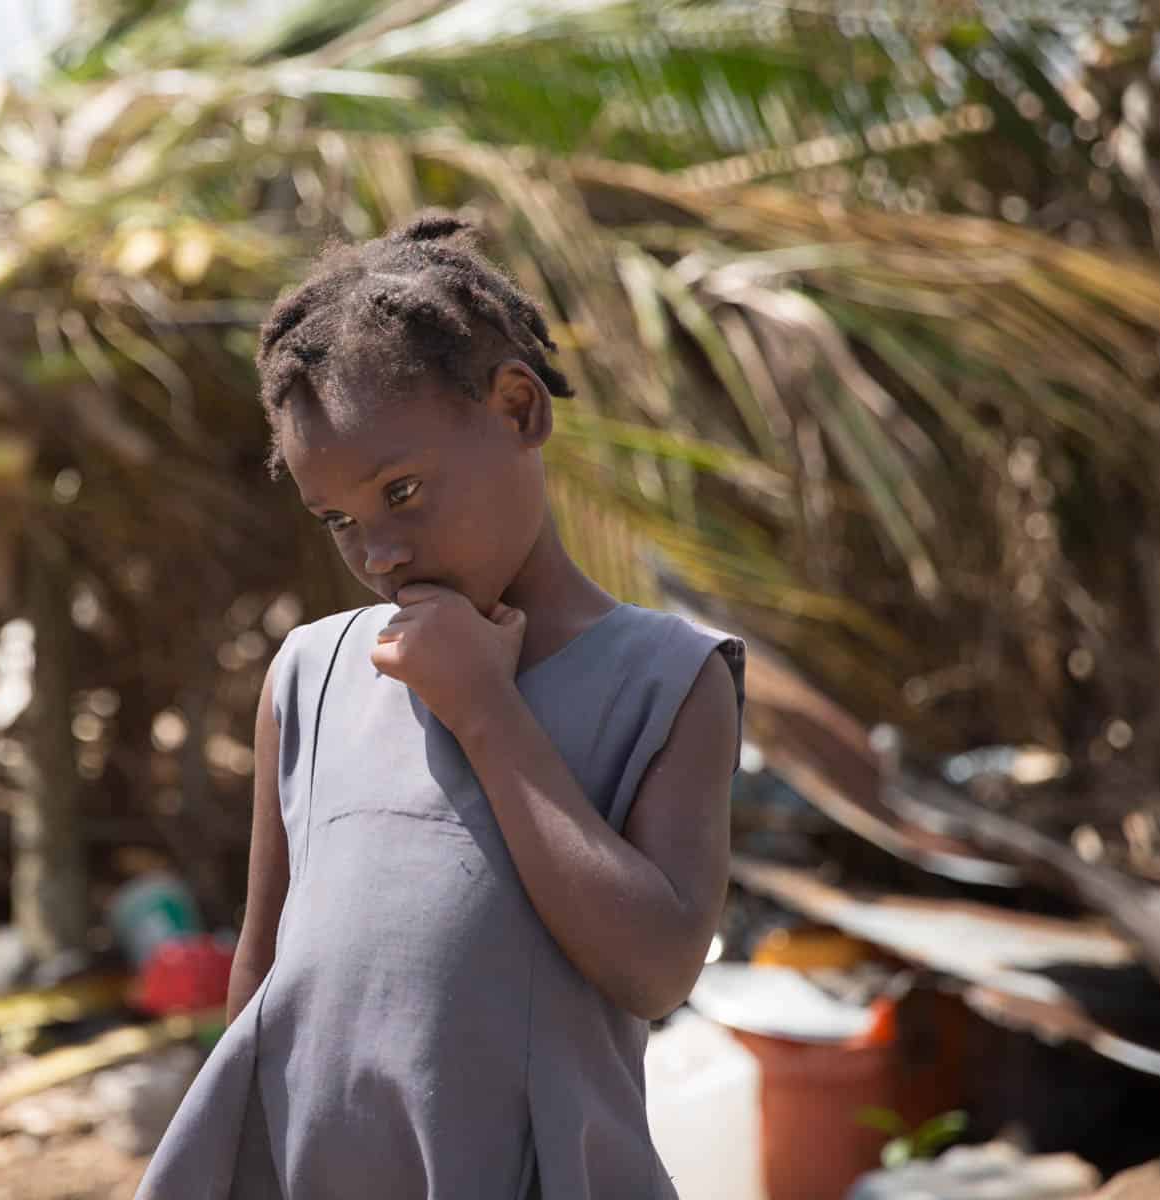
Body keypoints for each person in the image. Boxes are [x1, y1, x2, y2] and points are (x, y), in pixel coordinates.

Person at [136, 212, 746, 1200]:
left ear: (517, 409)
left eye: (403, 490)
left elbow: (657, 969)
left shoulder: (666, 677)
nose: (378, 553)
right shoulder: (312, 677)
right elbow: (265, 983)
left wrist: (486, 713)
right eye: (338, 518)